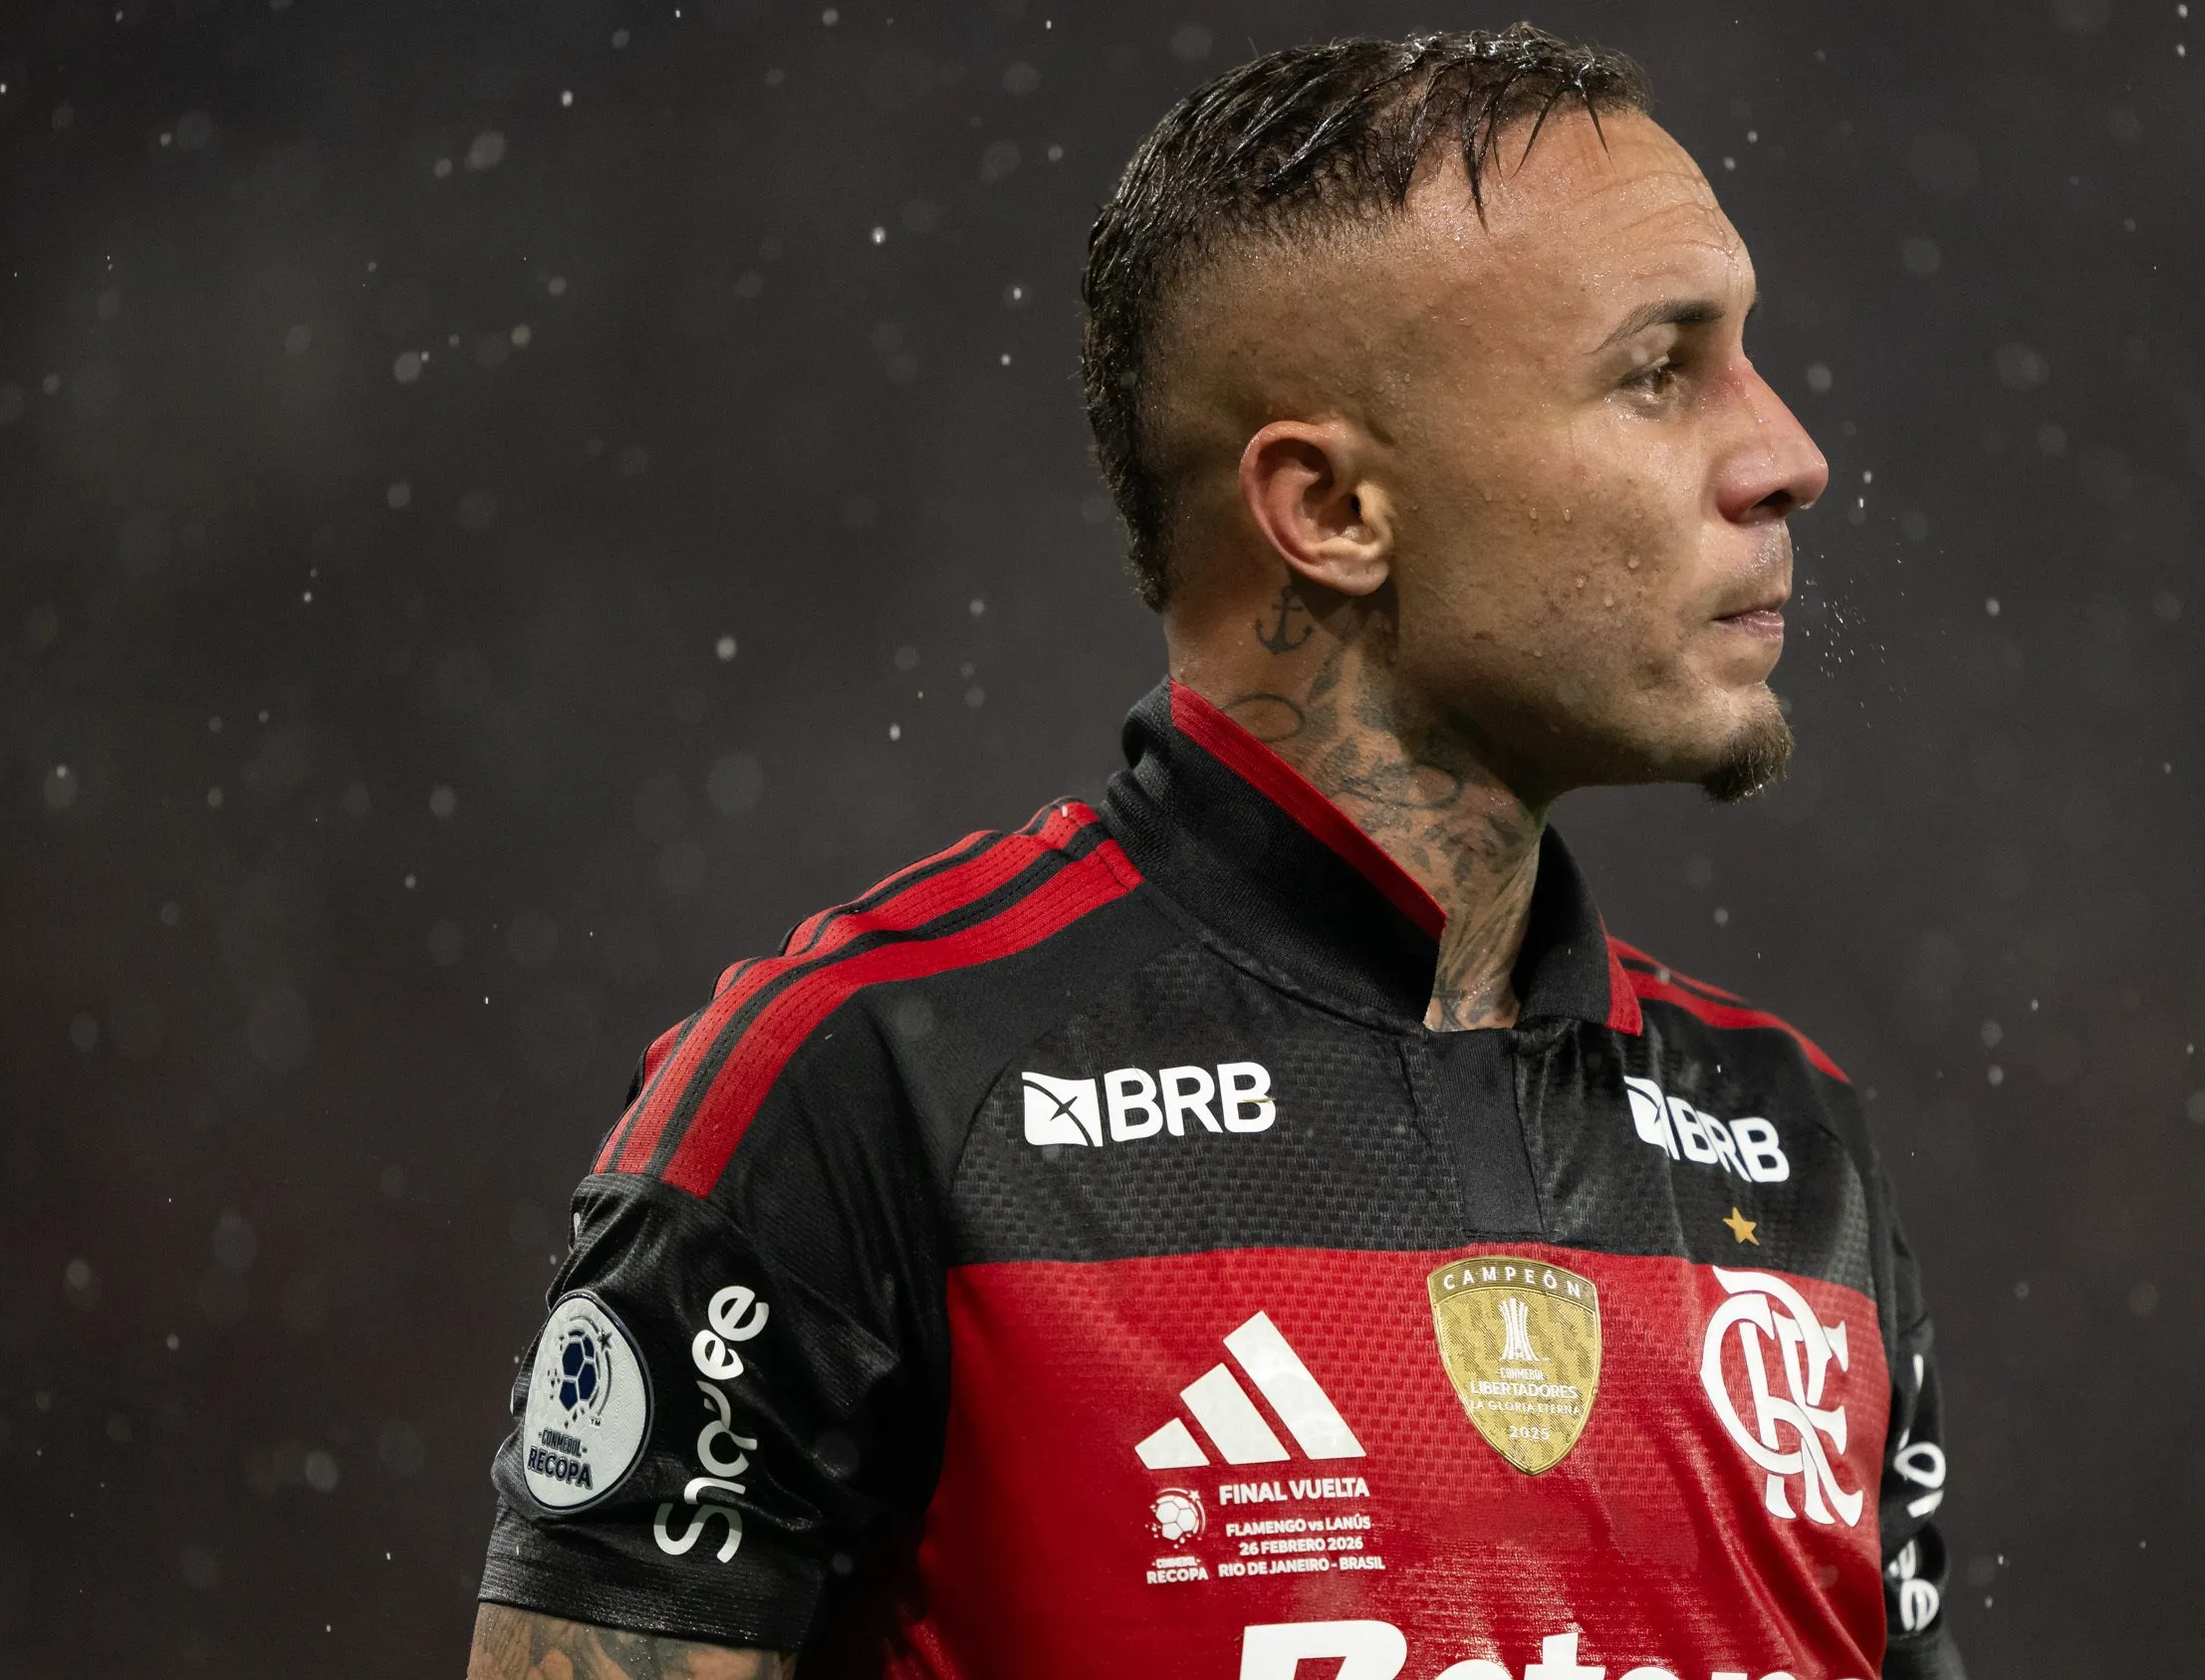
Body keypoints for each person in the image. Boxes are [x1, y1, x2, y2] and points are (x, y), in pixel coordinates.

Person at [467, 26, 1962, 1680]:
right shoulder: (862, 1096)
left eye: (1745, 355)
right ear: (1329, 510)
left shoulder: (1794, 1152)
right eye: (1657, 372)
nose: (1787, 455)